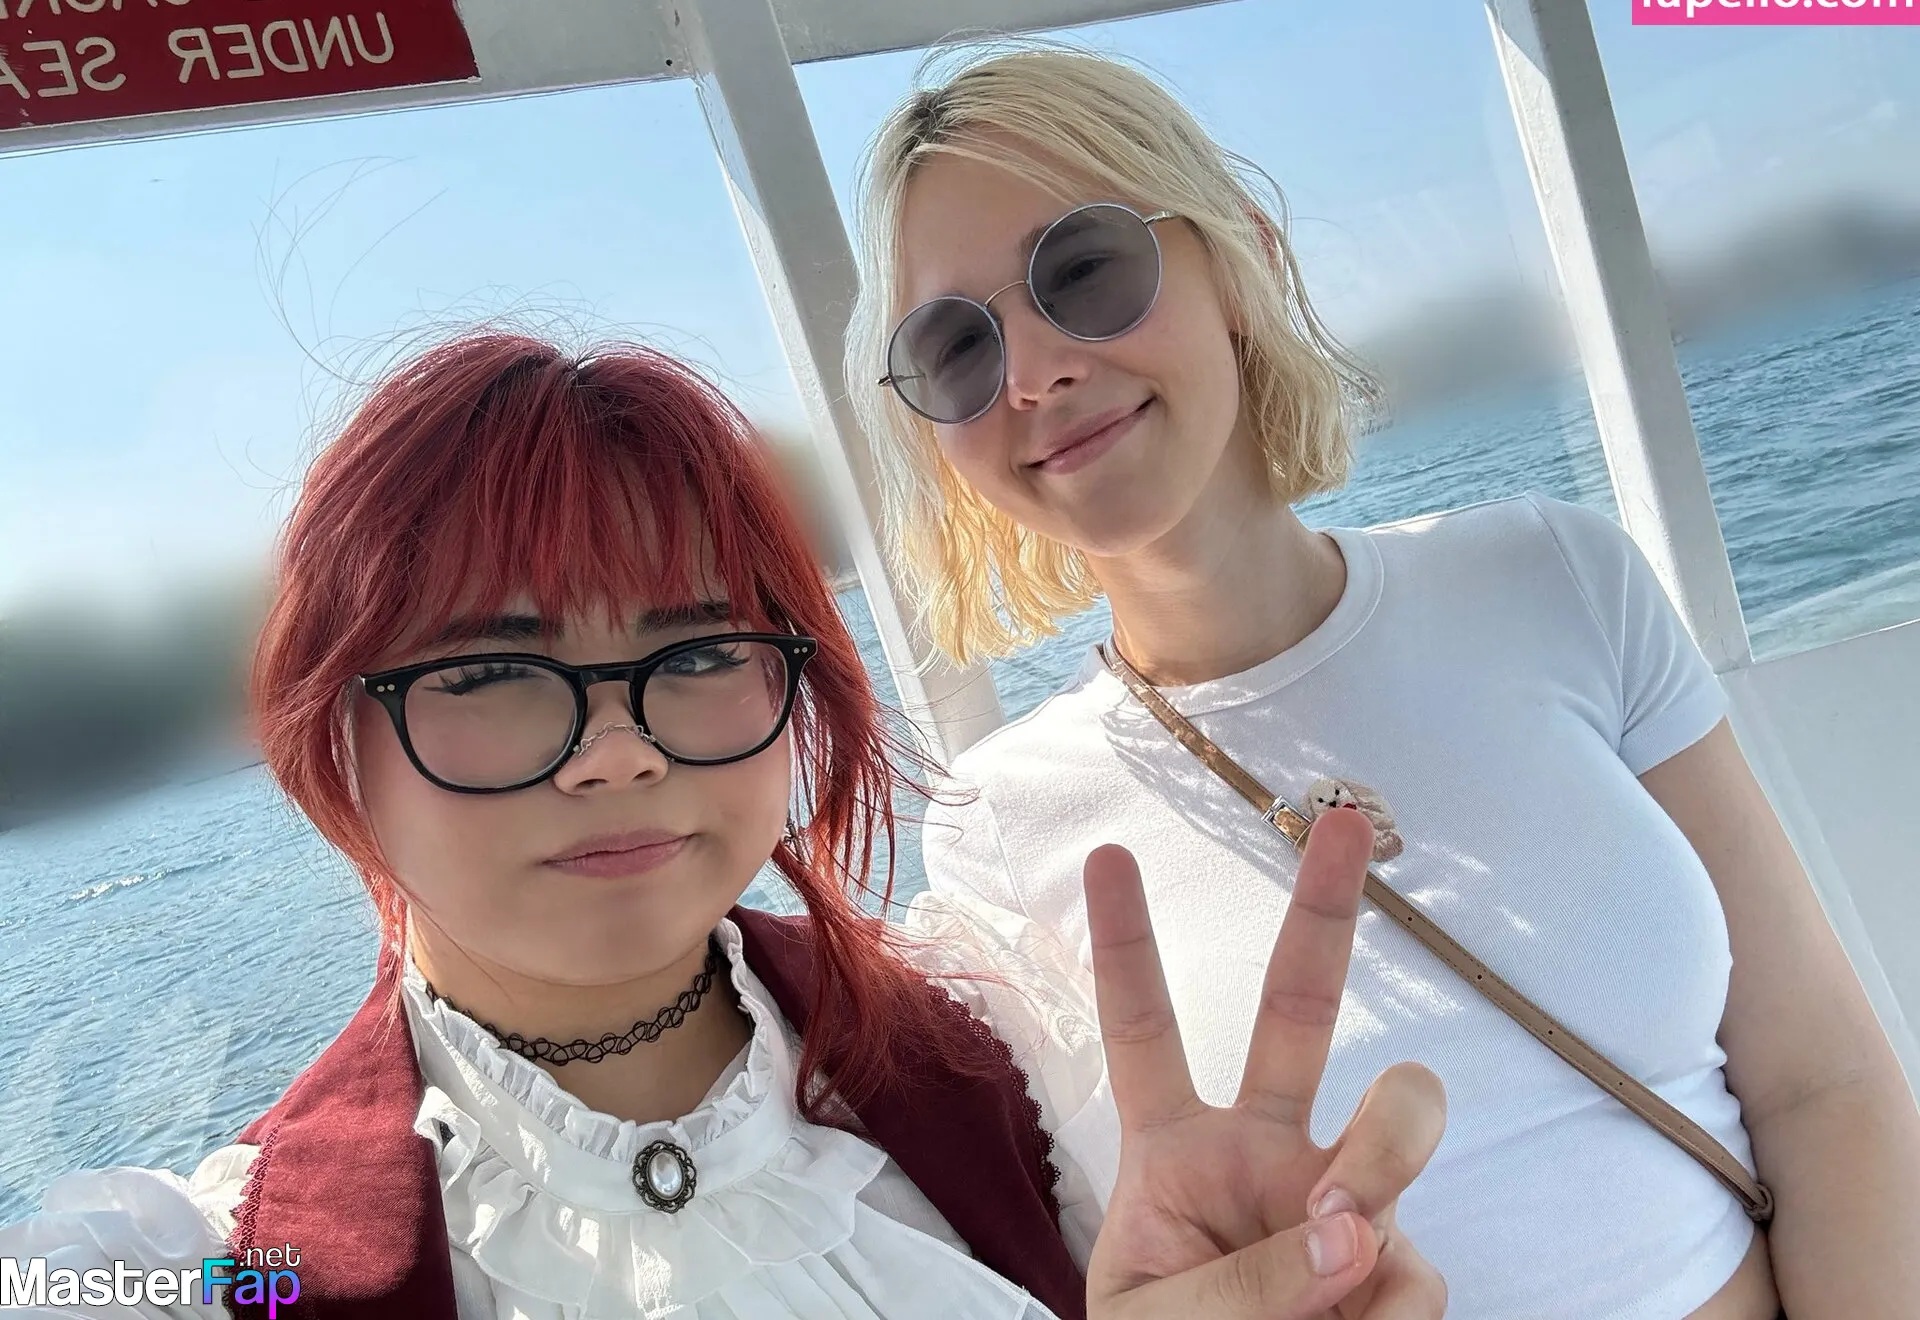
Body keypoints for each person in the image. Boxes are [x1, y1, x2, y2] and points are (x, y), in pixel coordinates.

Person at [0, 332, 1448, 1319]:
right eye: (491, 672)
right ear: (335, 732)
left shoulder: (1015, 1069)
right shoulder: (242, 1267)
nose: (618, 755)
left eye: (697, 653)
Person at [845, 42, 1920, 1320]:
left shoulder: (1556, 578)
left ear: (1239, 263)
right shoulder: (995, 827)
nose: (1033, 374)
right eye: (957, 349)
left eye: (1083, 270)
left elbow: (1821, 1084)